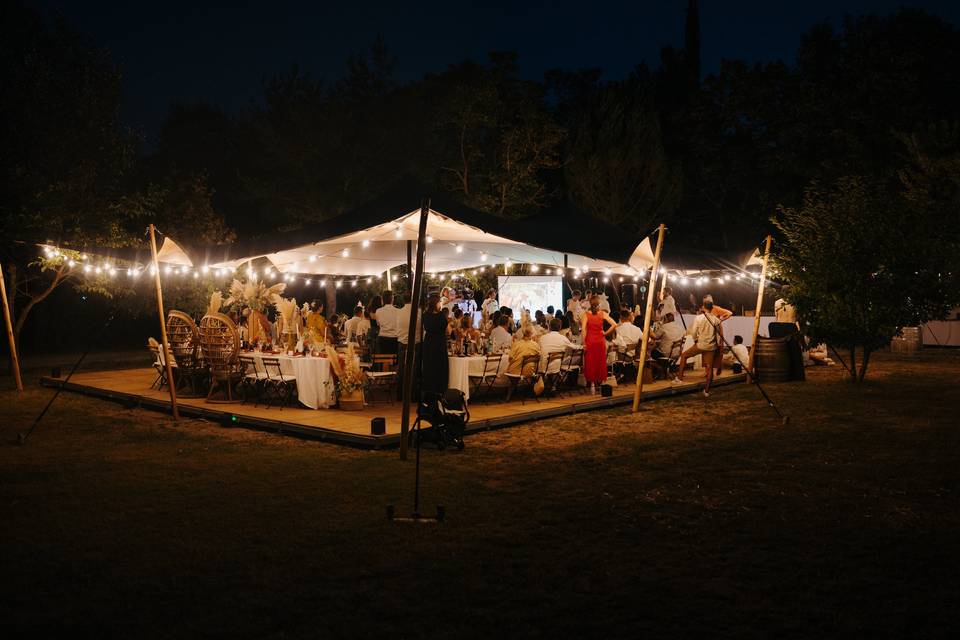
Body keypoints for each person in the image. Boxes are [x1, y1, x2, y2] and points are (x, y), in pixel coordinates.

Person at [673, 300, 721, 396]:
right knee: (710, 367)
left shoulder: (699, 318)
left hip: (700, 344)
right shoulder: (716, 320)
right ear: (712, 308)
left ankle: (680, 378)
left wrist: (695, 340)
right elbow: (718, 335)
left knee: (684, 356)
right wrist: (717, 345)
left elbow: (694, 332)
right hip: (711, 346)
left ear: (703, 307)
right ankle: (706, 391)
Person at [581, 295, 615, 394]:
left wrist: (584, 343)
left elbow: (583, 329)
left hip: (590, 340)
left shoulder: (586, 314)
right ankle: (601, 384)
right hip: (600, 340)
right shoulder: (603, 313)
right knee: (600, 361)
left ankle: (592, 385)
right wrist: (605, 333)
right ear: (599, 303)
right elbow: (614, 324)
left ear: (590, 304)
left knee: (591, 362)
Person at [419, 293, 448, 396]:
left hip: (429, 342)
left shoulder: (425, 315)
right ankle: (440, 388)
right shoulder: (441, 316)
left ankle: (429, 388)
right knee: (440, 366)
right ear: (436, 303)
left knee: (429, 366)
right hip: (439, 342)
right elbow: (446, 330)